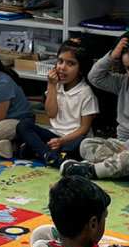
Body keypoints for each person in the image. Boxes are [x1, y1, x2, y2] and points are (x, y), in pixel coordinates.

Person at [63, 31, 129, 181]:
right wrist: (112, 56)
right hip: (119, 143)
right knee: (86, 144)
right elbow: (94, 77)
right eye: (128, 68)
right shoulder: (123, 83)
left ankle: (93, 171)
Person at [17, 37, 98, 167]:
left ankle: (43, 151)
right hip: (54, 135)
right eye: (60, 61)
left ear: (81, 69)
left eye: (71, 64)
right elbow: (51, 113)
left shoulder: (85, 93)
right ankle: (49, 155)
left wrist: (62, 141)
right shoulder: (56, 86)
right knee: (23, 125)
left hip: (73, 139)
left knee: (82, 144)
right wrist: (51, 85)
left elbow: (84, 128)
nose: (62, 68)